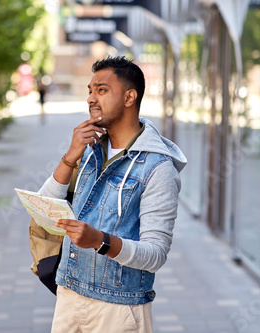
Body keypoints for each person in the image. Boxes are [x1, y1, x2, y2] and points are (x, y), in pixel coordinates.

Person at [36, 56, 187, 333]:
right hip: (69, 295)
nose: (91, 99)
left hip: (118, 309)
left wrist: (100, 241)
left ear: (130, 97)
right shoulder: (89, 150)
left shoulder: (158, 168)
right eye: (90, 91)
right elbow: (44, 209)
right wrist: (70, 157)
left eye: (102, 90)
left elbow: (155, 255)